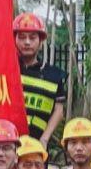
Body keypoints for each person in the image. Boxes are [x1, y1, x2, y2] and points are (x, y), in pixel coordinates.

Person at [14, 12, 67, 145]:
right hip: (6, 145)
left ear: (41, 41)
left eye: (32, 38)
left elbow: (59, 110)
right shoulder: (5, 70)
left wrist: (44, 139)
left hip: (37, 146)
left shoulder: (54, 75)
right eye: (21, 37)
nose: (27, 42)